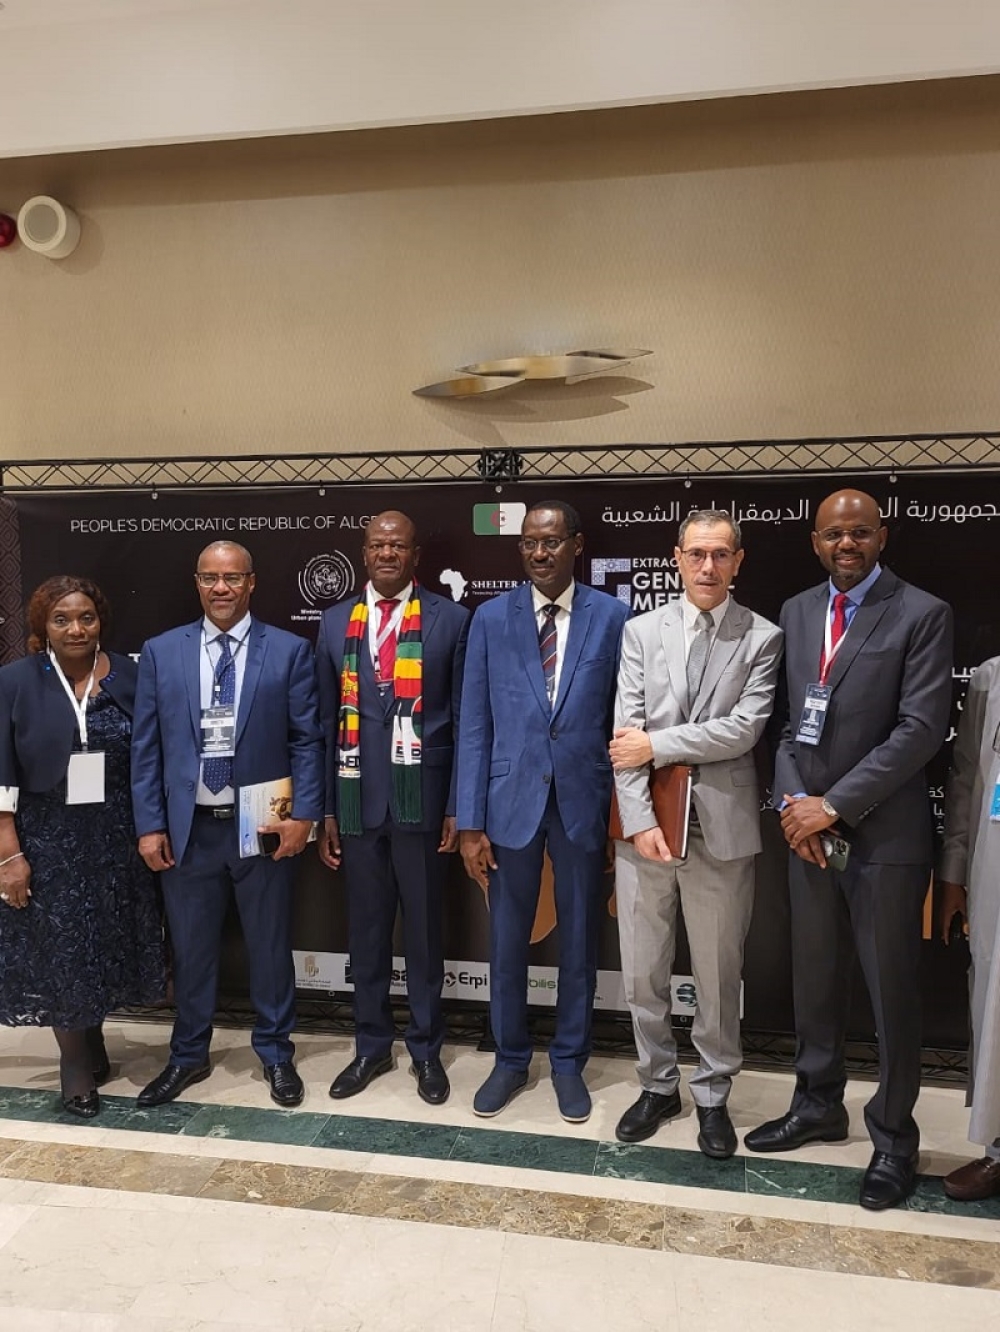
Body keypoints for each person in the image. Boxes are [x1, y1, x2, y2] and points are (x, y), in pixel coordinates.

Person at [745, 489, 953, 1211]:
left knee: (891, 992)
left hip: (884, 840)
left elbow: (920, 730)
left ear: (882, 537)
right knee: (816, 977)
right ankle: (817, 1103)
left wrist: (831, 806)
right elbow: (786, 727)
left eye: (860, 533)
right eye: (834, 534)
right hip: (807, 836)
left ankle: (895, 1137)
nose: (847, 545)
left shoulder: (923, 614)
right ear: (814, 541)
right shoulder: (799, 612)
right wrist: (794, 804)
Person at [610, 510, 782, 1158]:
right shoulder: (640, 633)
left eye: (720, 554)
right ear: (676, 558)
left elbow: (743, 730)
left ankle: (713, 1094)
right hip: (645, 836)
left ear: (738, 561)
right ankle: (657, 1084)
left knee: (717, 975)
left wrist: (659, 742)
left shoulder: (761, 637)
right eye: (696, 554)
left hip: (721, 833)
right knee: (641, 976)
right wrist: (641, 822)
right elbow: (623, 740)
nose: (707, 566)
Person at [131, 541, 324, 1108]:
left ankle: (276, 1054)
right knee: (191, 951)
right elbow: (147, 750)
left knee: (269, 947)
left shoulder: (288, 652)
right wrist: (149, 825)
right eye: (211, 578)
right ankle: (187, 1056)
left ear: (252, 583)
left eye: (232, 578)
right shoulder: (163, 652)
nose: (221, 588)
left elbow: (306, 740)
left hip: (262, 822)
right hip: (189, 829)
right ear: (197, 583)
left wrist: (304, 817)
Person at [457, 500, 629, 1122]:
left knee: (580, 940)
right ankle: (509, 1060)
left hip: (585, 802)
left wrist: (620, 818)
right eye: (530, 542)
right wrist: (470, 820)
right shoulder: (490, 619)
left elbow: (624, 719)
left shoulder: (613, 617)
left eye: (552, 542)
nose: (539, 553)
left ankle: (567, 1062)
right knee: (508, 939)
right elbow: (474, 723)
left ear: (576, 546)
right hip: (509, 804)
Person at [316, 511, 469, 1105]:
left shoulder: (451, 620)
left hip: (422, 802)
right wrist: (327, 808)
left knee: (425, 935)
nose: (387, 554)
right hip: (356, 804)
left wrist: (458, 804)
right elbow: (326, 725)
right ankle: (371, 1045)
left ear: (414, 555)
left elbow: (465, 719)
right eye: (377, 544)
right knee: (367, 932)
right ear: (364, 551)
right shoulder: (333, 625)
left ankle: (426, 1050)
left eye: (398, 545)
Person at [0, 576, 164, 1117]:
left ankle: (91, 1044)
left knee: (100, 944)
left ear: (101, 622)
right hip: (49, 841)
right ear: (43, 626)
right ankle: (74, 1068)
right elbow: (1, 774)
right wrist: (9, 853)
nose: (76, 628)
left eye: (86, 617)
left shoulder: (130, 676)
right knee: (65, 950)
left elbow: (153, 755)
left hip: (117, 837)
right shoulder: (16, 682)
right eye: (62, 619)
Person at [937, 657, 1000, 1201]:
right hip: (993, 867)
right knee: (994, 1003)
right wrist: (953, 874)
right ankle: (999, 1152)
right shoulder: (990, 678)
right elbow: (966, 783)